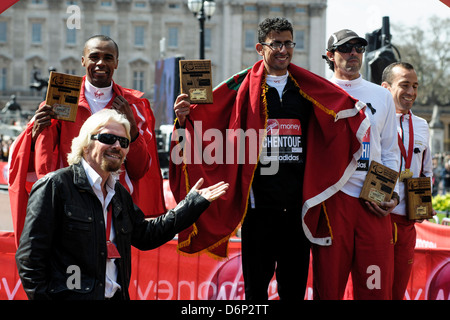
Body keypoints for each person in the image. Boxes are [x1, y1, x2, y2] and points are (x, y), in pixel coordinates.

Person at [169, 18, 368, 300]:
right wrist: (184, 119)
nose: (283, 50)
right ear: (260, 47)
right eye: (276, 43)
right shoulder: (239, 89)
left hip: (297, 210)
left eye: (288, 43)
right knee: (255, 293)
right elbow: (209, 125)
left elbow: (330, 130)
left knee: (293, 290)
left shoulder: (307, 91)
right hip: (257, 209)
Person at [15, 109, 228, 300]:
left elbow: (146, 235)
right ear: (87, 144)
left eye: (123, 142)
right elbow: (29, 260)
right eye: (108, 138)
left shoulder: (118, 194)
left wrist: (191, 205)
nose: (117, 146)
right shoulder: (55, 186)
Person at [8, 35, 165, 248]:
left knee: (111, 275)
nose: (101, 63)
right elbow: (38, 163)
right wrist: (34, 135)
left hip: (114, 207)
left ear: (116, 63)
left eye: (108, 57)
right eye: (94, 57)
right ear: (83, 61)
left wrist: (133, 128)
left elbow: (140, 169)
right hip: (69, 205)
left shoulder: (135, 106)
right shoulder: (57, 99)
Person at [316, 29, 400, 299]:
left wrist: (388, 195)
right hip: (333, 199)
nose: (353, 54)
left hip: (372, 200)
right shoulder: (318, 93)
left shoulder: (382, 95)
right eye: (345, 48)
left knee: (375, 290)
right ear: (331, 55)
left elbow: (389, 150)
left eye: (359, 48)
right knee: (328, 289)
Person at [381, 62, 433, 300]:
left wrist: (423, 204)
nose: (411, 92)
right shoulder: (374, 121)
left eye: (415, 86)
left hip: (407, 222)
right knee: (374, 287)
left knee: (398, 289)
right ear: (386, 88)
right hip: (378, 218)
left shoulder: (422, 126)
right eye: (404, 85)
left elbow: (426, 170)